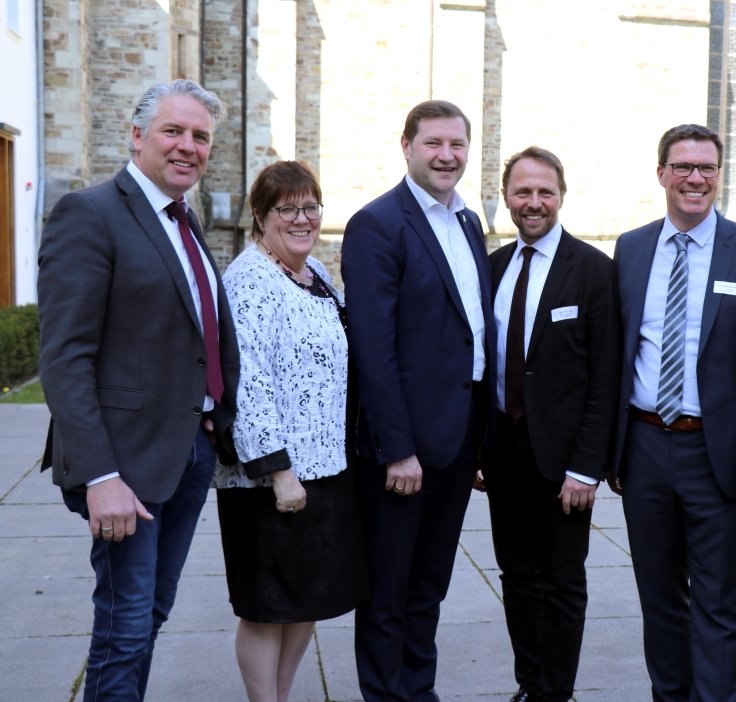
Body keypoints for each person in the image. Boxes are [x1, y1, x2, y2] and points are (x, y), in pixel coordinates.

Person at [37, 79, 239, 700]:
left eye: (200, 136)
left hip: (186, 452)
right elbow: (66, 356)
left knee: (150, 613)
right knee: (125, 625)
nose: (188, 147)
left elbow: (191, 332)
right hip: (122, 465)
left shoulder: (185, 221)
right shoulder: (91, 213)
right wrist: (100, 477)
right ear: (136, 135)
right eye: (172, 132)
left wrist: (212, 416)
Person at [610, 123, 736, 701]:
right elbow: (620, 352)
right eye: (683, 166)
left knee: (718, 603)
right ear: (661, 174)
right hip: (643, 448)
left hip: (720, 457)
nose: (695, 178)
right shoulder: (631, 248)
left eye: (707, 168)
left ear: (719, 175)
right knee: (659, 600)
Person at [341, 99, 497, 702]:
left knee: (429, 584)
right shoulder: (378, 224)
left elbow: (469, 333)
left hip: (458, 442)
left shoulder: (467, 223)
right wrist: (397, 450)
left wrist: (478, 438)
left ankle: (419, 691)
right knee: (387, 590)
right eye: (433, 143)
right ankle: (386, 694)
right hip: (403, 451)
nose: (446, 156)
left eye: (457, 145)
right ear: (405, 146)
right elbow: (373, 351)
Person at [213, 160, 368, 701]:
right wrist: (279, 472)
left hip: (324, 466)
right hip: (268, 479)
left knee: (307, 599)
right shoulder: (248, 280)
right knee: (267, 604)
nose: (302, 219)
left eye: (311, 207)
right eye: (288, 209)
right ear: (260, 216)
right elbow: (247, 380)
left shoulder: (313, 273)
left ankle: (280, 696)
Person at [483, 147, 620, 702]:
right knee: (516, 577)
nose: (533, 202)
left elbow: (604, 376)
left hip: (564, 463)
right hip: (503, 452)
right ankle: (529, 683)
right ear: (506, 197)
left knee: (562, 582)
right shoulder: (491, 267)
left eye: (544, 192)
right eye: (523, 192)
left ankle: (555, 693)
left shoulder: (593, 270)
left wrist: (586, 469)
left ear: (561, 195)